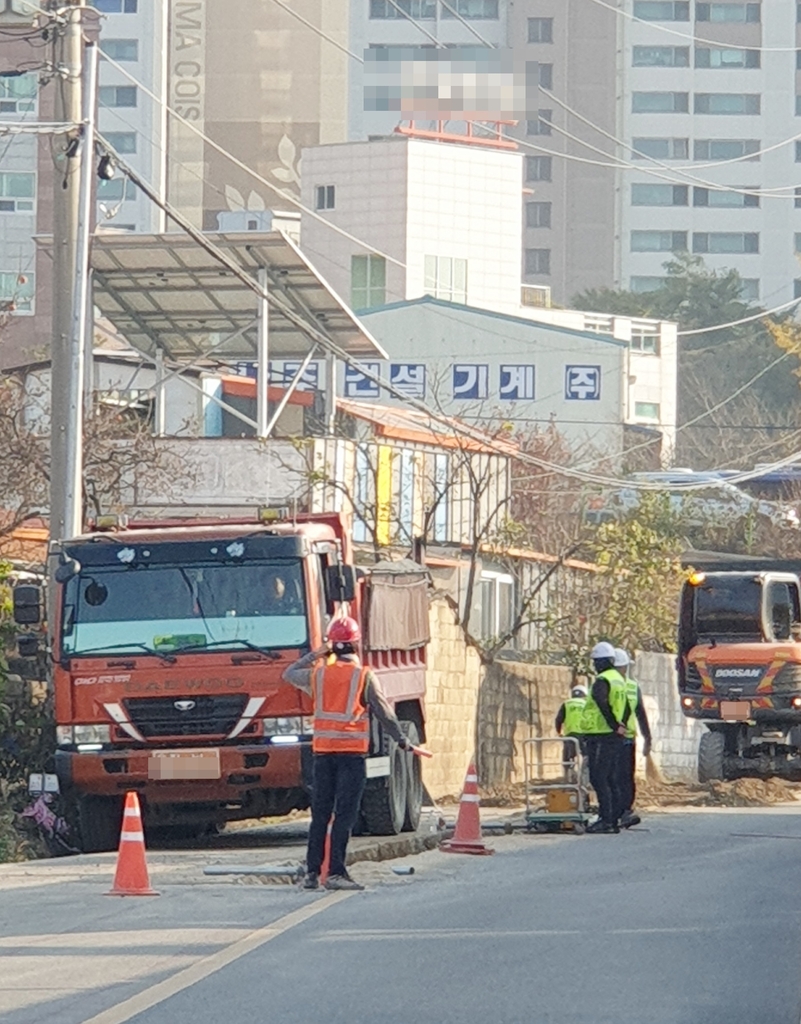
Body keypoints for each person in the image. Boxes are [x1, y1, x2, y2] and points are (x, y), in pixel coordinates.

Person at [282, 615, 411, 891]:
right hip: (351, 755)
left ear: (333, 645)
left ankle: (312, 873)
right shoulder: (363, 676)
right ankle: (337, 873)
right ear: (355, 644)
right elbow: (384, 712)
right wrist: (401, 740)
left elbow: (288, 674)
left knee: (320, 814)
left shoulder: (317, 674)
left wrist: (315, 655)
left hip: (323, 754)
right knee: (344, 815)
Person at [580, 641, 631, 834]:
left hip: (601, 735)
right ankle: (613, 818)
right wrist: (622, 725)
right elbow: (627, 706)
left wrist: (613, 725)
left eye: (595, 662)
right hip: (613, 735)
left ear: (602, 662)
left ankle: (607, 820)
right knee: (610, 777)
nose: (594, 665)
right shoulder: (619, 679)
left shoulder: (602, 681)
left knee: (599, 778)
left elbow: (602, 703)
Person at [614, 648, 652, 830]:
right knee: (623, 777)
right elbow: (640, 714)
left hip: (617, 738)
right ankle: (622, 811)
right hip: (624, 738)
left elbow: (640, 713)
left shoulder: (606, 684)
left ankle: (622, 811)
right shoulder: (630, 686)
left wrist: (647, 738)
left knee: (618, 777)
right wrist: (647, 737)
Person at [555, 685, 588, 786]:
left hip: (570, 734)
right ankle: (585, 779)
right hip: (584, 734)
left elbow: (558, 719)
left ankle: (569, 778)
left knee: (568, 757)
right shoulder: (587, 704)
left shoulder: (566, 704)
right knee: (587, 756)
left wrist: (559, 732)